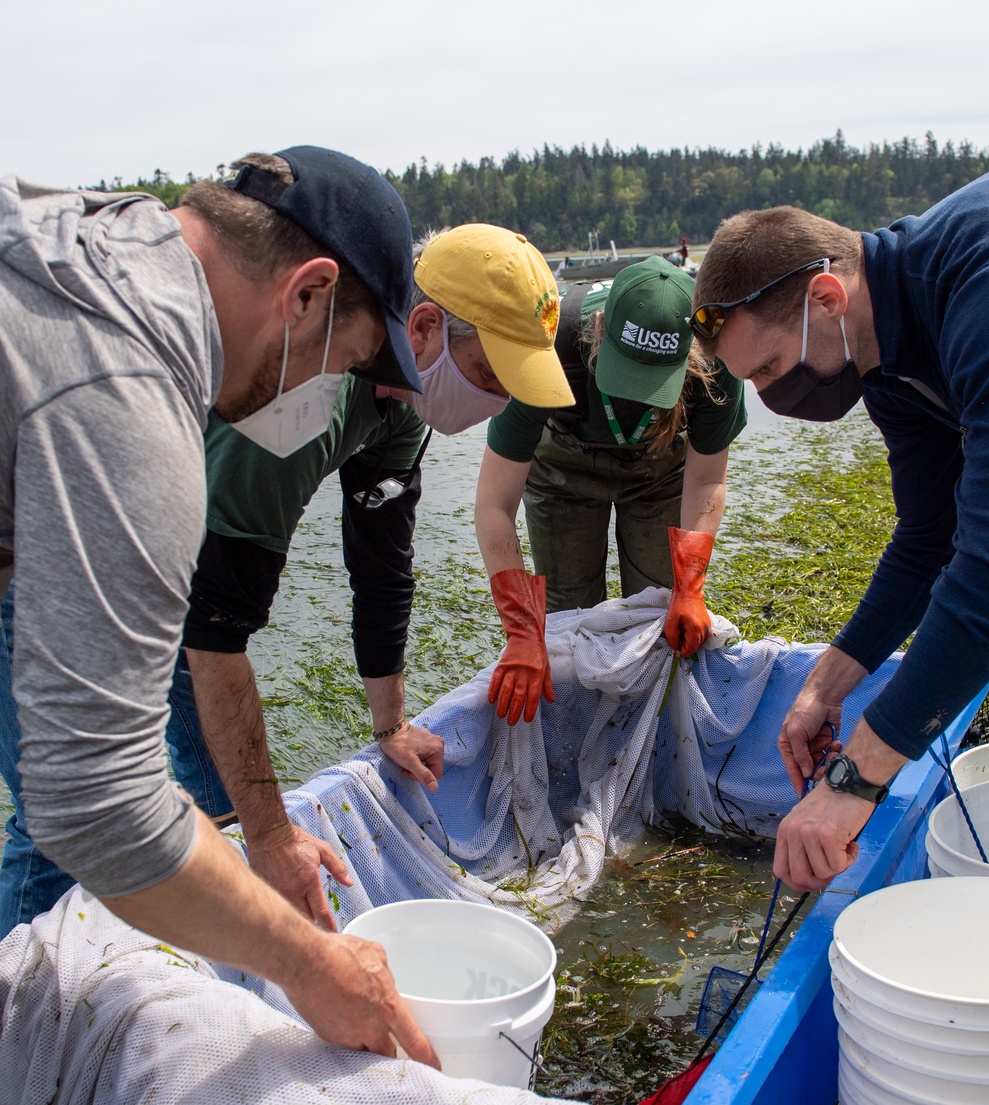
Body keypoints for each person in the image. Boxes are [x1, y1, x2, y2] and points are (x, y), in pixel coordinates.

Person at [0, 144, 451, 1063]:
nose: (322, 394)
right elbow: (95, 802)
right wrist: (315, 965)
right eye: (350, 362)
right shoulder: (131, 399)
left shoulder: (95, 230)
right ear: (308, 294)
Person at [0, 223, 573, 935]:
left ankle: (192, 949)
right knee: (64, 816)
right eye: (492, 375)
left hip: (174, 553)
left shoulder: (400, 406)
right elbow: (218, 631)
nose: (497, 404)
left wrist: (389, 721)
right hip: (57, 539)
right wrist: (273, 835)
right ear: (423, 326)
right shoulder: (303, 404)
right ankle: (16, 1012)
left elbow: (382, 565)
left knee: (221, 799)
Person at [689, 170, 989, 892]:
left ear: (826, 298)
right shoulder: (881, 351)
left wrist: (852, 781)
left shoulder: (979, 288)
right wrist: (826, 684)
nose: (773, 396)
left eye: (768, 367)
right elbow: (931, 536)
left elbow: (988, 571)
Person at [475, 255, 747, 725]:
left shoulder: (719, 363)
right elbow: (495, 503)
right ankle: (577, 727)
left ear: (693, 352)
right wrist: (522, 629)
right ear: (600, 326)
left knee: (658, 611)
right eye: (628, 376)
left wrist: (691, 586)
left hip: (661, 471)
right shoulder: (547, 344)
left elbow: (706, 479)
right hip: (563, 467)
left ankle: (646, 730)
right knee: (567, 613)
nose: (638, 394)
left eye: (654, 383)